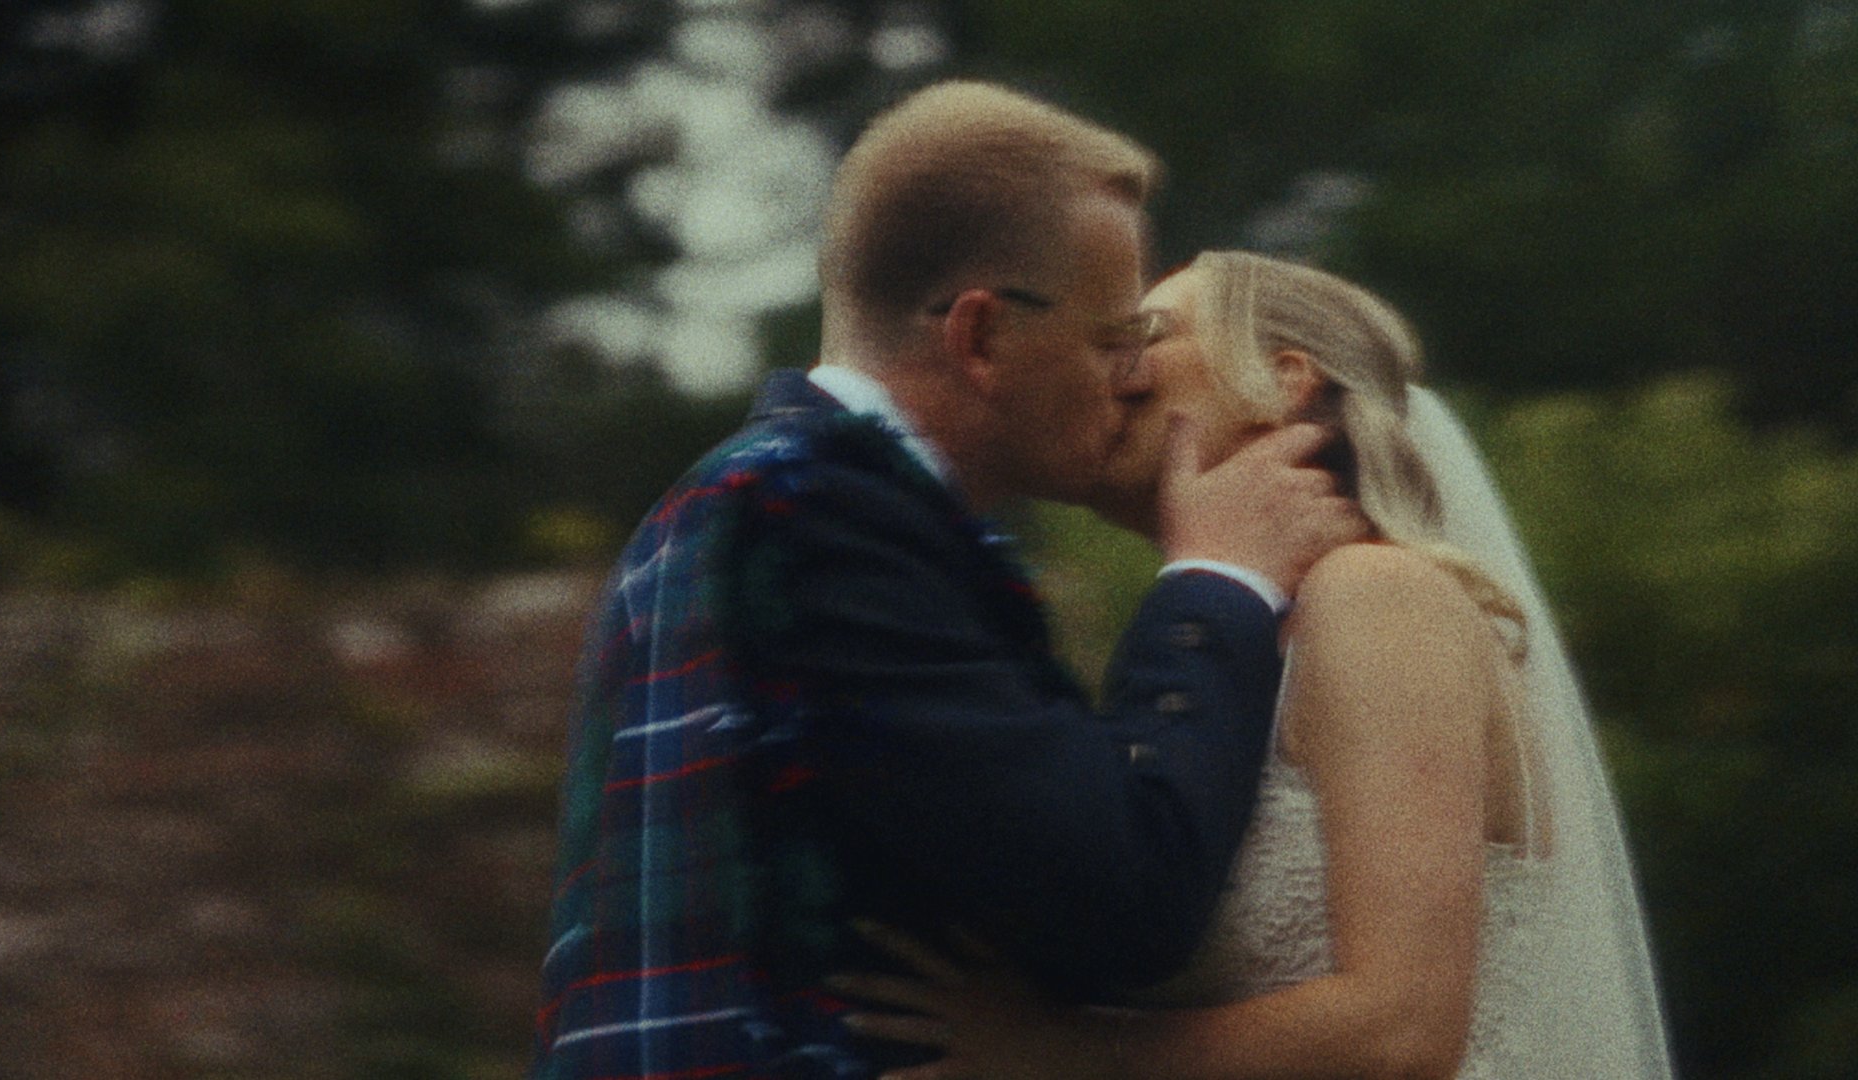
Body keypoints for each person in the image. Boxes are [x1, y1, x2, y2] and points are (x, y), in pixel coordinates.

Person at [531, 90, 1367, 1079]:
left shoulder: (721, 505)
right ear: (980, 337)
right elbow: (1123, 901)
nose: (1131, 376)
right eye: (1113, 338)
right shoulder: (828, 521)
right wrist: (1219, 576)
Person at [833, 252, 1675, 1079]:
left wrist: (1065, 1052)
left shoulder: (1374, 595)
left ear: (1287, 379)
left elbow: (1403, 1032)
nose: (1110, 371)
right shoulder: (1234, 656)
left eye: (1147, 334)